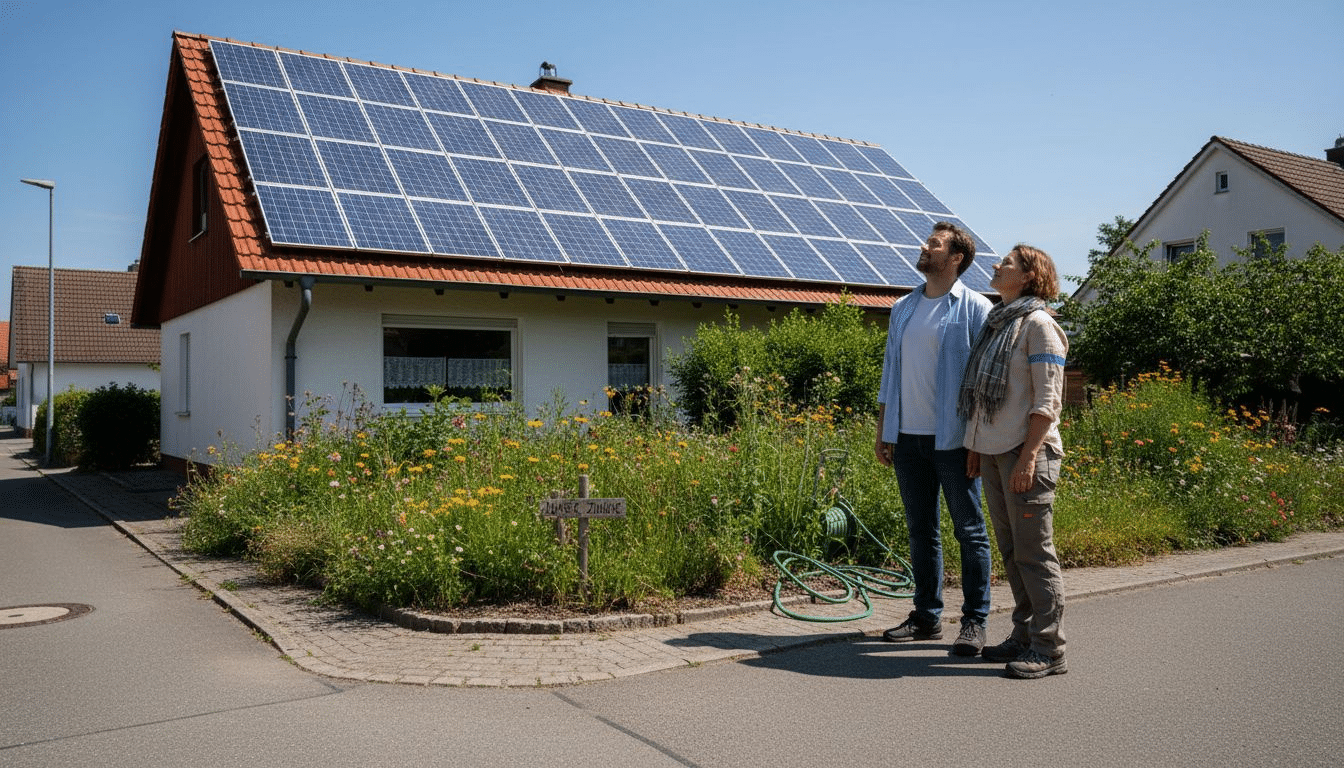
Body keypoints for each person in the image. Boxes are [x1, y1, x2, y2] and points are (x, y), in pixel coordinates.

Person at [875, 221, 994, 656]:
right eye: (928, 241)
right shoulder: (903, 308)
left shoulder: (976, 309)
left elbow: (985, 382)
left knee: (970, 531)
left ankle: (975, 622)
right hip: (907, 439)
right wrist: (883, 430)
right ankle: (927, 617)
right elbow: (890, 374)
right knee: (920, 531)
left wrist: (979, 442)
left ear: (956, 258)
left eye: (935, 244)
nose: (924, 247)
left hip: (956, 441)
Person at [960, 244, 1069, 679]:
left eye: (1006, 262)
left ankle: (1049, 648)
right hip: (994, 453)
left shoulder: (1039, 326)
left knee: (1035, 554)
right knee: (1011, 551)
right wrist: (975, 446)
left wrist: (1028, 459)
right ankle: (1023, 635)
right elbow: (985, 401)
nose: (995, 265)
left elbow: (1048, 403)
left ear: (1027, 276)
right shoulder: (998, 322)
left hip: (1027, 455)